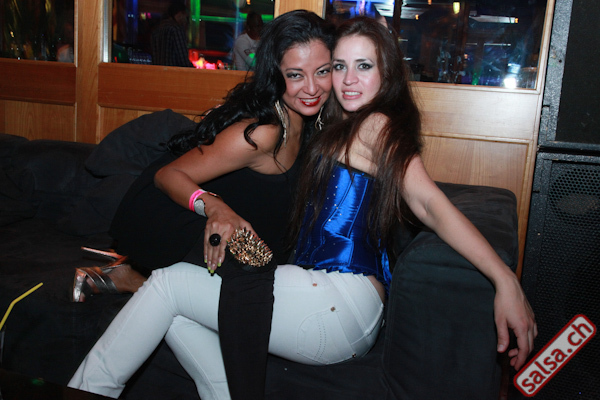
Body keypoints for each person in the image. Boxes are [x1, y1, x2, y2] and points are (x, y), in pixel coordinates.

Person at [69, 16, 537, 400]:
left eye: (363, 66)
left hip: (340, 300)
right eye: (340, 66)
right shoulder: (330, 127)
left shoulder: (375, 126)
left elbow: (429, 202)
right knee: (178, 307)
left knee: (169, 284)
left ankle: (85, 391)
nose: (347, 80)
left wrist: (505, 280)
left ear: (387, 74)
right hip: (337, 305)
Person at [70, 9, 334, 400]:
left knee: (262, 261)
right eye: (295, 75)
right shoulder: (262, 133)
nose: (311, 87)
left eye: (322, 71)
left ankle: (134, 277)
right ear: (276, 75)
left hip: (219, 216)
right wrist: (215, 207)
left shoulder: (315, 125)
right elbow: (167, 176)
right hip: (165, 210)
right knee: (253, 260)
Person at [151, 1, 194, 67]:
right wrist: (194, 70)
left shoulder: (157, 29)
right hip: (173, 71)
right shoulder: (176, 30)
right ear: (180, 14)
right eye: (186, 16)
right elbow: (183, 59)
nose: (185, 20)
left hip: (158, 70)